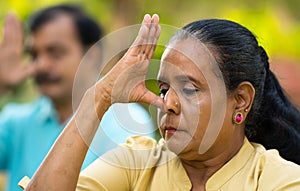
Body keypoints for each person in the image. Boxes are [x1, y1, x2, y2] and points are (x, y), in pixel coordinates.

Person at [20, 14, 300, 191]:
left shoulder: (278, 179)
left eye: (190, 89)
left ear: (240, 101)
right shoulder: (138, 163)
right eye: (164, 89)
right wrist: (100, 96)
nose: (168, 104)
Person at [0, 5, 155, 191]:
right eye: (33, 55)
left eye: (55, 53)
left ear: (92, 55)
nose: (41, 65)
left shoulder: (127, 123)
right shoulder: (15, 122)